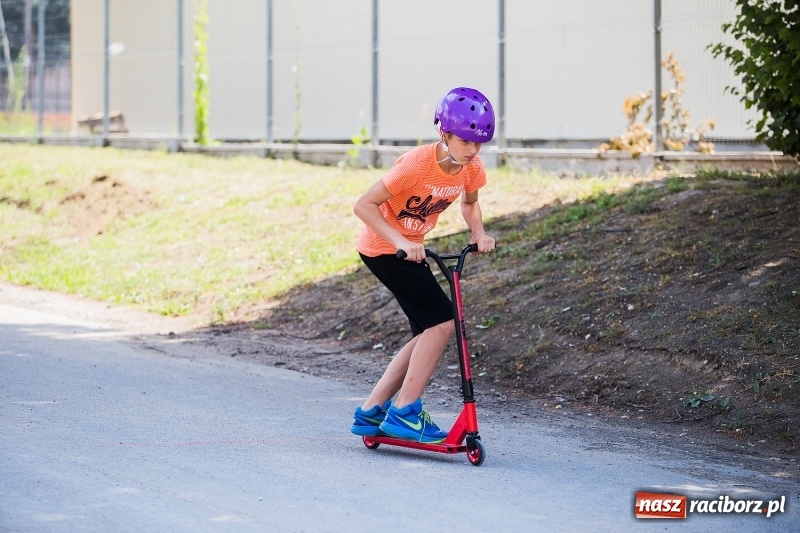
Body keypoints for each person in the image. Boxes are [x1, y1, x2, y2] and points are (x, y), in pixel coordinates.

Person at [350, 87, 497, 443]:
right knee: (443, 322)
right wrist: (400, 240)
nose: (473, 150)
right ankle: (405, 411)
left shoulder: (469, 168)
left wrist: (478, 231)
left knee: (428, 331)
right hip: (385, 249)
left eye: (479, 144)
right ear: (443, 133)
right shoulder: (416, 165)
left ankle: (371, 411)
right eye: (465, 142)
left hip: (407, 249)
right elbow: (364, 205)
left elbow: (469, 203)